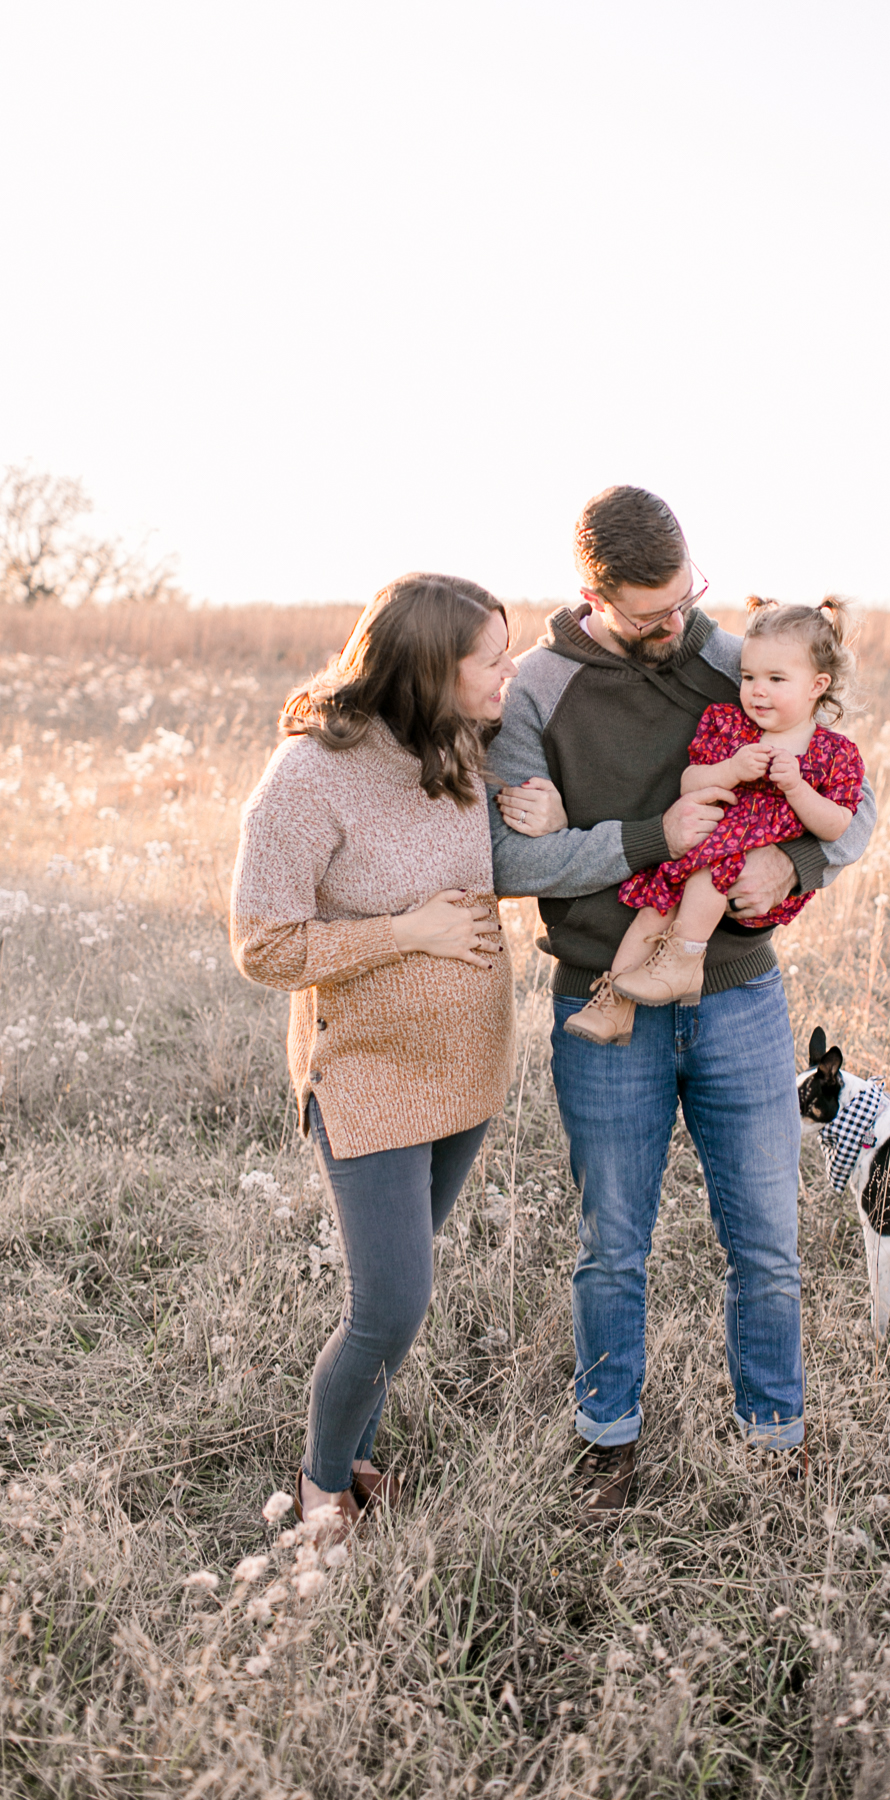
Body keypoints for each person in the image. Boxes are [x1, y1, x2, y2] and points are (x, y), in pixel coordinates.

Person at [487, 485, 876, 1511]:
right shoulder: (534, 692)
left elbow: (853, 802)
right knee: (613, 1245)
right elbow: (505, 856)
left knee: (767, 1241)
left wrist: (794, 870)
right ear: (592, 595)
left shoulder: (729, 656)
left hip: (739, 993)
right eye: (656, 611)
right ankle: (607, 1441)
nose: (683, 626)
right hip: (604, 996)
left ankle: (775, 1436)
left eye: (688, 597)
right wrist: (647, 836)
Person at [231, 573, 517, 1539]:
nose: (508, 674)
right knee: (389, 1306)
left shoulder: (459, 749)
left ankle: (356, 1456)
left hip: (467, 1070)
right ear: (430, 668)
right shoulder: (308, 775)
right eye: (492, 658)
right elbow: (263, 944)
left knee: (408, 1290)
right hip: (368, 1073)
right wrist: (407, 933)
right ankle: (320, 1490)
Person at [555, 595, 866, 1042]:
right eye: (748, 676)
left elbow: (837, 825)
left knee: (709, 878)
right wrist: (732, 768)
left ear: (818, 685)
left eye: (776, 679)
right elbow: (691, 781)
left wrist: (796, 788)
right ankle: (613, 1007)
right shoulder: (730, 726)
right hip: (699, 852)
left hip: (739, 873)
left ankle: (684, 961)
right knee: (652, 911)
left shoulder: (834, 754)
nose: (757, 690)